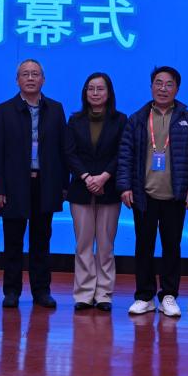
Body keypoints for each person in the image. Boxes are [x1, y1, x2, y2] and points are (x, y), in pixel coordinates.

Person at [118, 66, 188, 318]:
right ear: (151, 87)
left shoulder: (187, 119)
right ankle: (144, 296)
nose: (163, 89)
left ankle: (168, 295)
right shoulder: (138, 118)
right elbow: (125, 154)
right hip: (144, 195)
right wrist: (125, 186)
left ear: (177, 89)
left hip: (175, 195)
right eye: (158, 83)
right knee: (143, 246)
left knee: (172, 247)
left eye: (169, 84)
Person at [0, 59, 68, 309]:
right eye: (25, 74)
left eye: (35, 74)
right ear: (17, 80)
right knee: (12, 242)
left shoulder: (55, 109)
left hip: (45, 184)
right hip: (13, 187)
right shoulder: (2, 111)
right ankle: (11, 291)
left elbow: (63, 151)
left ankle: (41, 291)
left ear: (43, 79)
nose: (30, 78)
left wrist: (63, 186)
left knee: (41, 242)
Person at [64, 72, 127, 311]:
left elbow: (122, 152)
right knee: (83, 244)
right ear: (85, 93)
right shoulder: (75, 120)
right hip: (81, 189)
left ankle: (104, 294)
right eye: (91, 88)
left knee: (105, 245)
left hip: (109, 189)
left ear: (109, 93)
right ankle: (84, 293)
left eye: (100, 89)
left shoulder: (120, 120)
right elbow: (69, 153)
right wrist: (87, 177)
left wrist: (103, 177)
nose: (95, 93)